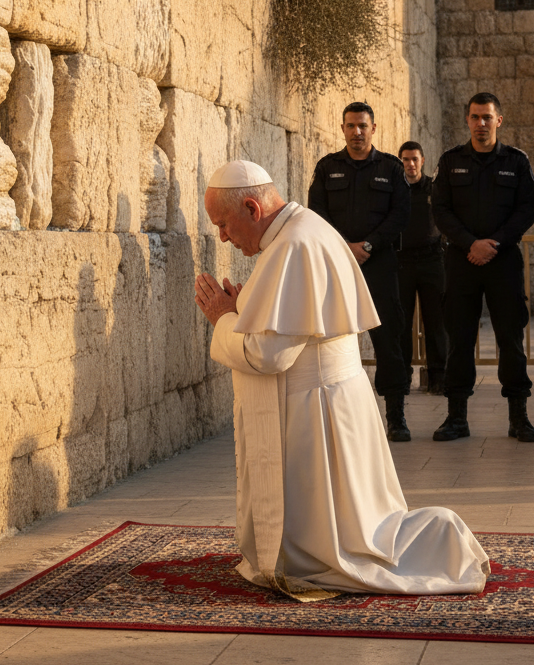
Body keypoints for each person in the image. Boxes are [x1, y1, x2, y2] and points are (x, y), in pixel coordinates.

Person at [193, 160, 490, 599]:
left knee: (337, 542)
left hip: (315, 407)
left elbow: (268, 354)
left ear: (252, 208)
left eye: (223, 224)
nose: (222, 236)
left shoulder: (293, 246)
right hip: (328, 398)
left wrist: (222, 319)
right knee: (352, 519)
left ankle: (439, 539)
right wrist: (243, 312)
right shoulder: (303, 228)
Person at [431, 92, 534, 442]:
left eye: (487, 118)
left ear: (499, 121)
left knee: (511, 339)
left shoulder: (517, 162)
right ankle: (456, 417)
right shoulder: (449, 162)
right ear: (467, 121)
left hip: (503, 262)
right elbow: (441, 211)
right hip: (462, 262)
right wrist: (469, 243)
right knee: (459, 340)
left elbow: (525, 211)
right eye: (475, 117)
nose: (481, 124)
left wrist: (492, 244)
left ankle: (519, 417)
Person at [308, 102, 413, 441]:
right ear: (342, 129)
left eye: (362, 126)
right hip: (338, 267)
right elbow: (317, 212)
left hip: (378, 265)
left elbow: (400, 213)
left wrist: (368, 246)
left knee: (388, 340)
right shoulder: (327, 168)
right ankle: (338, 419)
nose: (357, 132)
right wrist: (344, 248)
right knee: (334, 339)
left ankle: (395, 416)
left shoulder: (391, 168)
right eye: (351, 126)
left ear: (373, 128)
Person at [397, 141, 448, 394]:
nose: (411, 164)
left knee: (436, 322)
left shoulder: (434, 188)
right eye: (405, 160)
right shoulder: (395, 190)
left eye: (415, 159)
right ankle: (403, 377)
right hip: (402, 262)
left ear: (423, 160)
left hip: (431, 261)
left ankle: (439, 377)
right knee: (401, 324)